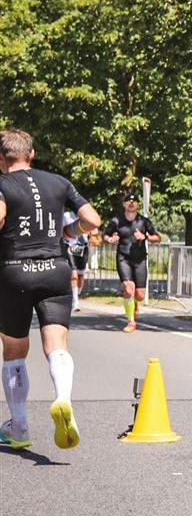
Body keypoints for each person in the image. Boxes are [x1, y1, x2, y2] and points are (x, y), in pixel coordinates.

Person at [0, 128, 100, 450]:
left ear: (1, 158)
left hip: (14, 272)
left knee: (14, 351)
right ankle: (63, 398)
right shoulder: (59, 182)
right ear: (31, 154)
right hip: (56, 270)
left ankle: (19, 427)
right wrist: (69, 230)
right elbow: (92, 220)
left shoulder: (2, 184)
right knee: (57, 344)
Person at [102, 196, 162, 332]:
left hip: (140, 260)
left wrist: (145, 237)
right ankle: (131, 322)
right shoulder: (116, 220)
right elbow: (105, 235)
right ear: (124, 204)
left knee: (140, 295)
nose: (131, 204)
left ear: (137, 205)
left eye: (134, 202)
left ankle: (134, 303)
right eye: (128, 202)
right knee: (129, 290)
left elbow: (158, 237)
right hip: (123, 258)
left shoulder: (143, 221)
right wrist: (111, 239)